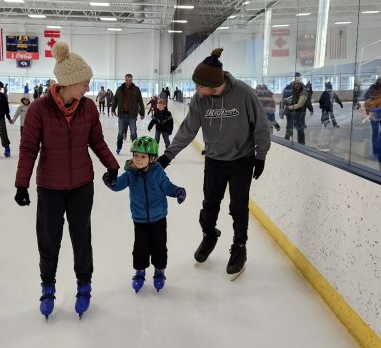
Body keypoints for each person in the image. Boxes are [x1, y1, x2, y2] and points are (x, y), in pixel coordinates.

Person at [14, 42, 119, 320]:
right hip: (49, 187)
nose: (88, 86)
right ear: (69, 83)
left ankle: (84, 285)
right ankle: (47, 286)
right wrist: (21, 183)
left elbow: (97, 141)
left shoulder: (88, 108)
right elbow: (28, 148)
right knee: (49, 240)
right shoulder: (39, 109)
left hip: (82, 185)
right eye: (85, 82)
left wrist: (112, 166)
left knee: (81, 238)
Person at [156, 48, 271, 280]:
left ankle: (239, 247)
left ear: (213, 84)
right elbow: (188, 129)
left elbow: (261, 125)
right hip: (215, 160)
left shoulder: (244, 94)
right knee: (209, 206)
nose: (196, 90)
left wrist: (261, 155)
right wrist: (168, 156)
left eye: (199, 86)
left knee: (238, 207)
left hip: (242, 160)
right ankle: (209, 234)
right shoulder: (201, 99)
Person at [102, 136, 186, 293]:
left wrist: (178, 191)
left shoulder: (158, 172)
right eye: (135, 155)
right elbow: (118, 184)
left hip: (159, 217)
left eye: (143, 156)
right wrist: (110, 182)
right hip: (139, 219)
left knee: (159, 245)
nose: (138, 160)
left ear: (152, 158)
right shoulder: (130, 174)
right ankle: (140, 271)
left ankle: (159, 270)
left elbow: (167, 186)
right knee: (140, 247)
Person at [112, 74, 145, 154]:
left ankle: (136, 148)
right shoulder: (120, 89)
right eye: (127, 80)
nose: (128, 82)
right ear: (125, 79)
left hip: (132, 115)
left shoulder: (136, 89)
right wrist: (113, 109)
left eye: (130, 80)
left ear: (132, 80)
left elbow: (140, 101)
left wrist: (142, 113)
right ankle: (119, 147)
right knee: (120, 133)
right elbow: (115, 99)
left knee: (133, 132)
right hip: (122, 115)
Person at [284, 78, 308, 144]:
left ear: (301, 84)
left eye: (298, 84)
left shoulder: (304, 92)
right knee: (289, 128)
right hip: (291, 113)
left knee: (300, 129)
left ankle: (301, 144)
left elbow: (300, 104)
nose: (297, 85)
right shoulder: (293, 91)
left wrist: (289, 107)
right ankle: (286, 141)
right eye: (295, 84)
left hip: (300, 114)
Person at [364, 79, 381, 161]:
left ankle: (376, 152)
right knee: (375, 133)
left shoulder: (373, 87)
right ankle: (376, 152)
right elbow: (366, 97)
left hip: (375, 115)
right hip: (374, 116)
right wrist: (370, 110)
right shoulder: (372, 88)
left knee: (376, 134)